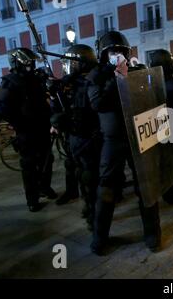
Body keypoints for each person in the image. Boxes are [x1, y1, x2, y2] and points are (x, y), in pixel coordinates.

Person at [87, 31, 161, 254]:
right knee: (107, 189)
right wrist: (115, 79)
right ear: (104, 55)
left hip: (137, 136)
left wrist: (136, 78)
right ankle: (100, 238)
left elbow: (151, 97)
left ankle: (152, 233)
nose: (117, 55)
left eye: (121, 51)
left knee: (145, 185)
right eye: (112, 51)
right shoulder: (97, 76)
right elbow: (97, 103)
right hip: (113, 140)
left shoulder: (136, 72)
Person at [0, 48, 56, 212]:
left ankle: (45, 187)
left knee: (47, 159)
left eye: (32, 62)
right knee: (29, 165)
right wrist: (17, 123)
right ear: (17, 63)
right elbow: (0, 106)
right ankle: (32, 199)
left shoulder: (35, 79)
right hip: (27, 131)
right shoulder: (11, 81)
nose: (31, 65)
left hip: (42, 127)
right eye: (28, 62)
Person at [50, 44, 102, 229]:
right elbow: (59, 108)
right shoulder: (68, 84)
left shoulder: (93, 83)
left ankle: (95, 215)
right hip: (75, 138)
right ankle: (89, 207)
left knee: (90, 177)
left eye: (71, 63)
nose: (68, 67)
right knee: (80, 174)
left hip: (90, 138)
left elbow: (91, 112)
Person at [148, 49, 173, 205]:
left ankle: (169, 190)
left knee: (165, 162)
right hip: (172, 128)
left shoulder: (152, 85)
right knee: (169, 161)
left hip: (161, 129)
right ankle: (170, 191)